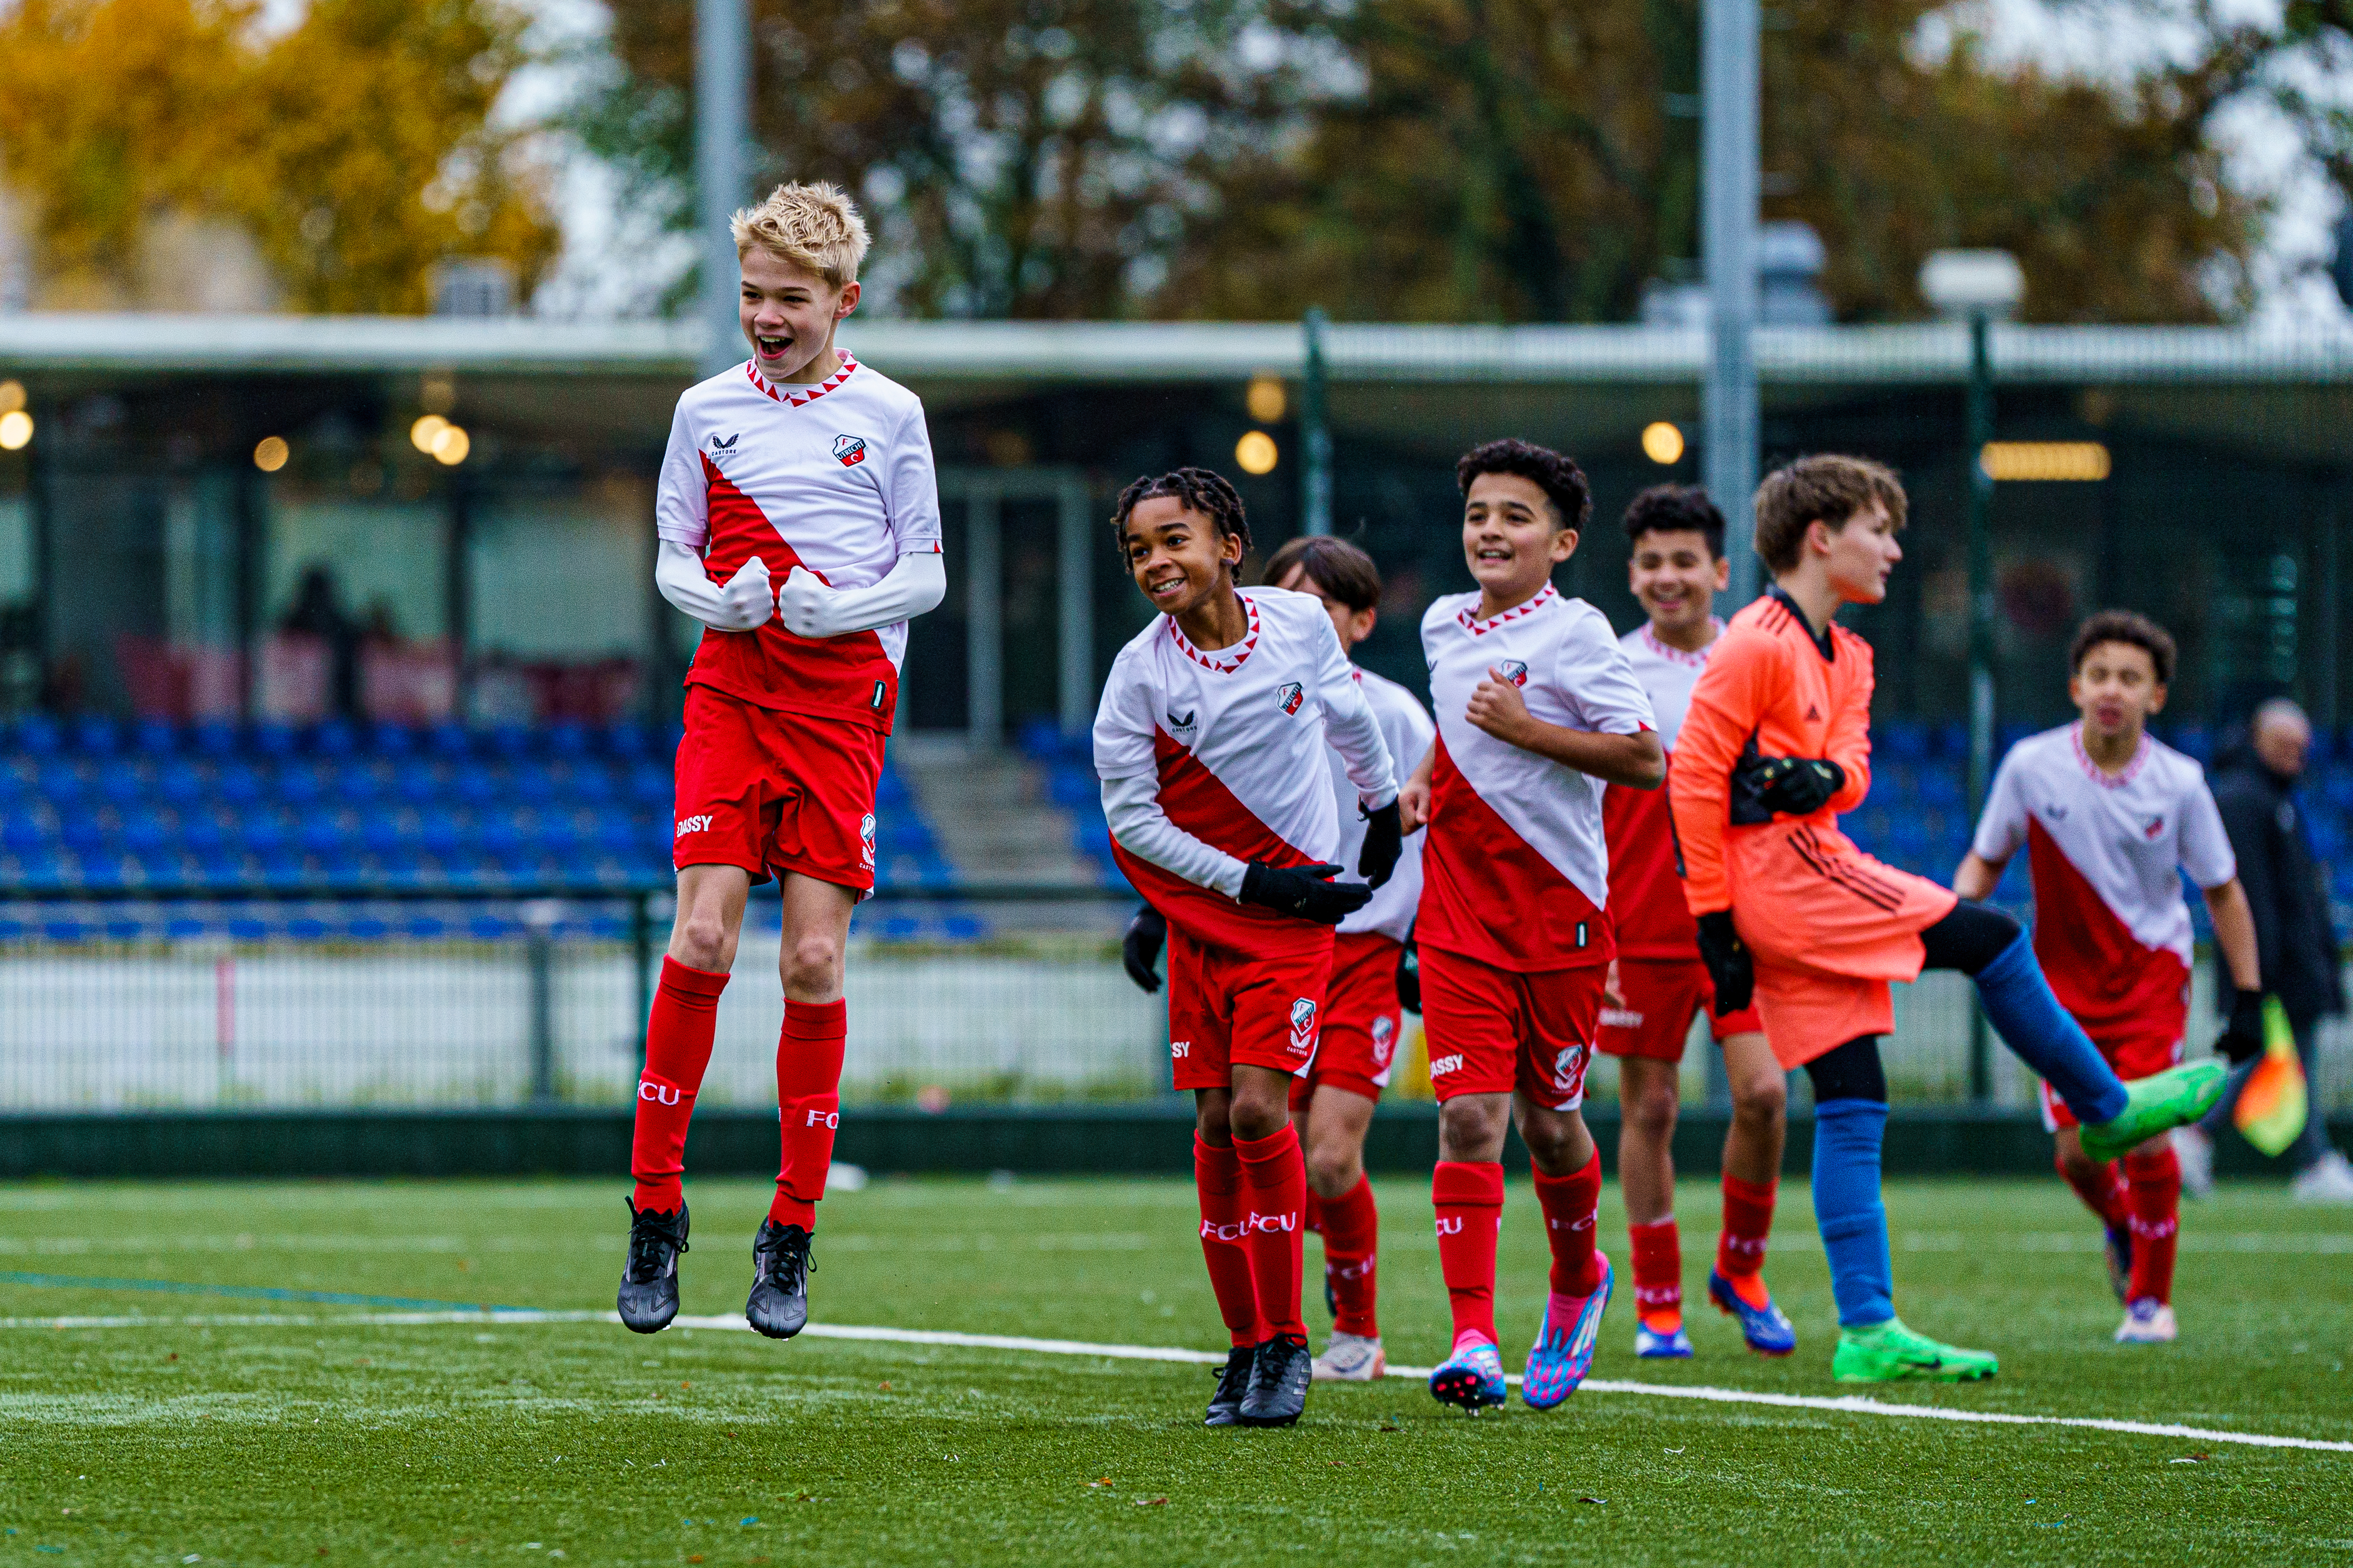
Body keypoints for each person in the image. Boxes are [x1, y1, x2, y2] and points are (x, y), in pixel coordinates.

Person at [1668, 455, 2228, 1383]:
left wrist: (1821, 779)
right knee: (1993, 939)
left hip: (1808, 868)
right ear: (1820, 538)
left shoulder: (1848, 655)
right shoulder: (1751, 642)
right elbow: (1693, 777)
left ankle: (1865, 1328)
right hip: (1788, 882)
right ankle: (2106, 1106)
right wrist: (1713, 928)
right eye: (1878, 531)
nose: (1892, 549)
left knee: (1851, 1103)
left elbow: (1852, 765)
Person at [617, 181, 949, 1341]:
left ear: (841, 301)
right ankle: (654, 1209)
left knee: (812, 960)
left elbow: (927, 573)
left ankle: (791, 1227)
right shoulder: (705, 410)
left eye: (790, 299)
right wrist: (720, 596)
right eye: (752, 294)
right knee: (702, 932)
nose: (766, 315)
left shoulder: (892, 413)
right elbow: (670, 551)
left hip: (841, 700)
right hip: (731, 689)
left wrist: (834, 608)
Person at [1093, 468, 1402, 1428]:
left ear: (1229, 544)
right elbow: (1131, 821)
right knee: (1218, 1125)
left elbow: (1349, 715)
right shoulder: (1138, 674)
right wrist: (1242, 884)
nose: (1156, 562)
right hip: (1211, 919)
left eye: (1173, 539)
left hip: (1291, 931)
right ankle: (1241, 1349)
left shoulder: (1300, 627)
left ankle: (1286, 1347)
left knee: (1264, 1113)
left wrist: (1381, 806)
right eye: (1138, 549)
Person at [1397, 439, 1665, 1414]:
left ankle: (1575, 1280)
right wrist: (1425, 777)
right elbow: (1454, 726)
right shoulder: (1437, 624)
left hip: (1560, 917)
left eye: (1513, 516)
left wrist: (1522, 730)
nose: (1489, 531)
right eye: (1476, 513)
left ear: (1558, 543)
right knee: (1469, 1115)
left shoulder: (1579, 634)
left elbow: (1642, 759)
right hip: (1458, 911)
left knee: (1553, 1127)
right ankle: (1472, 1337)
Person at [1953, 611, 2265, 1344]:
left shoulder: (2182, 782)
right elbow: (1984, 859)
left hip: (2152, 977)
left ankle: (2150, 1302)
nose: (2111, 689)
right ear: (2074, 686)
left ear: (2156, 695)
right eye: (2099, 675)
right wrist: (1945, 914)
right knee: (2078, 1153)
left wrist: (2247, 994)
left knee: (2146, 1139)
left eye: (2130, 677)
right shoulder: (2030, 766)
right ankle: (2124, 1224)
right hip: (2055, 989)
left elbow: (2222, 888)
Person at [1598, 486, 1795, 1362]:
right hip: (1638, 925)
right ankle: (1657, 1304)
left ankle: (1740, 1272)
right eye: (1650, 562)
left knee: (1762, 1096)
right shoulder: (1603, 666)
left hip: (1743, 928)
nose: (1667, 576)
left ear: (1720, 571)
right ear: (1631, 574)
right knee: (1651, 1108)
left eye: (1684, 561)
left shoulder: (1760, 661)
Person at [2177, 698, 2353, 1203]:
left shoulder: (2277, 799)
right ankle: (2196, 1136)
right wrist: (2259, 965)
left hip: (2291, 963)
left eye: (2302, 745)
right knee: (2257, 1055)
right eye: (2285, 743)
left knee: (2291, 1061)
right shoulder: (2242, 799)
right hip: (2270, 966)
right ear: (2258, 741)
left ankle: (2310, 1159)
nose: (2297, 753)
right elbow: (2246, 890)